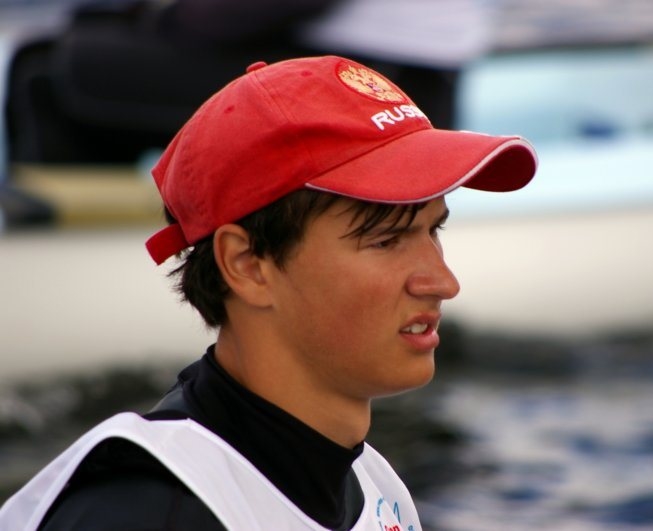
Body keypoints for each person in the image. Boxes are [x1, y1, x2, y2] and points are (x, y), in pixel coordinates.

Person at [0, 55, 537, 530]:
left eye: (433, 230)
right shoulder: (148, 511)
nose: (443, 282)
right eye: (385, 240)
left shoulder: (372, 482)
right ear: (247, 264)